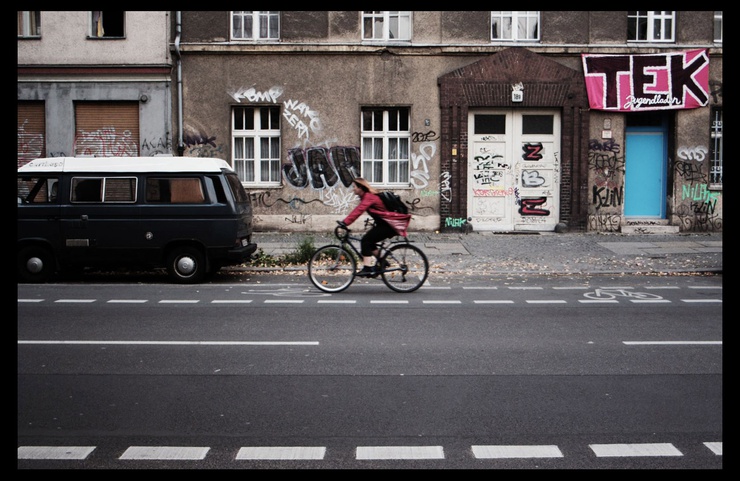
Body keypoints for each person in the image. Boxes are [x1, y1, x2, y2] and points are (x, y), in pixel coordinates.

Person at [338, 177, 412, 277]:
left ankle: (367, 268)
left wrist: (345, 223)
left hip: (389, 226)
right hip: (385, 224)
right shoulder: (367, 197)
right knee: (370, 242)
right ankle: (383, 262)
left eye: (354, 187)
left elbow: (358, 211)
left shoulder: (369, 197)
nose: (353, 189)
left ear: (361, 188)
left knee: (365, 241)